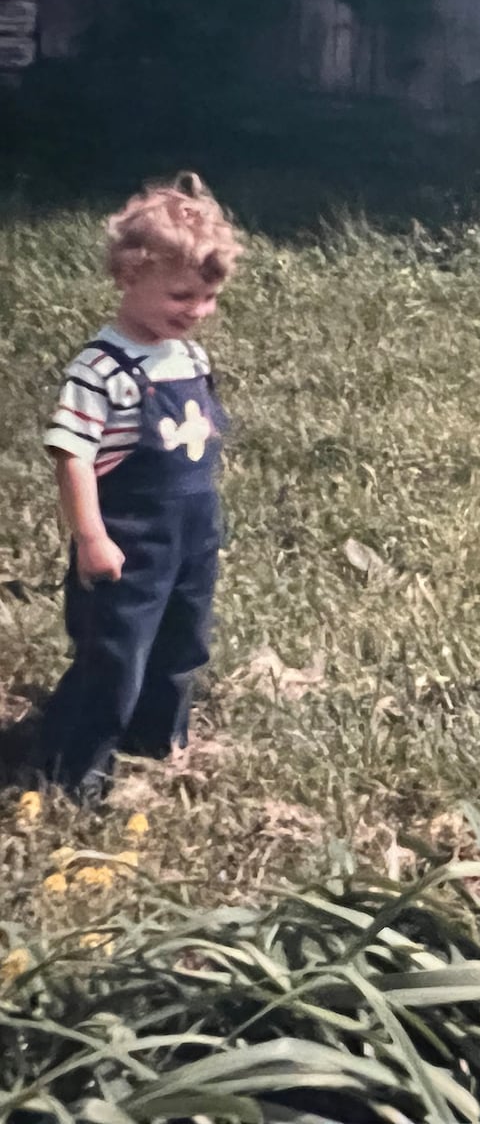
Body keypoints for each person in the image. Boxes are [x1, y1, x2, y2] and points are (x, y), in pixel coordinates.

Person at [34, 172, 241, 802]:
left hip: (189, 536)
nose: (197, 312)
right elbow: (71, 455)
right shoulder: (102, 368)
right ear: (129, 276)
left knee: (183, 642)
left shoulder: (188, 358)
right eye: (182, 295)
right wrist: (91, 537)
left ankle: (156, 739)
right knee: (115, 654)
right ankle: (75, 771)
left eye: (209, 298)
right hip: (125, 542)